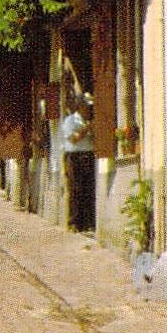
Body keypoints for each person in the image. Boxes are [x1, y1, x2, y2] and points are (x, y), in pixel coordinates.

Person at [60, 90, 96, 232]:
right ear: (80, 107)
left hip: (88, 155)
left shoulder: (89, 121)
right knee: (75, 188)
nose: (89, 109)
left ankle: (88, 222)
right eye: (87, 106)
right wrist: (87, 128)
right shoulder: (70, 121)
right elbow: (73, 139)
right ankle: (74, 222)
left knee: (88, 188)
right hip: (74, 157)